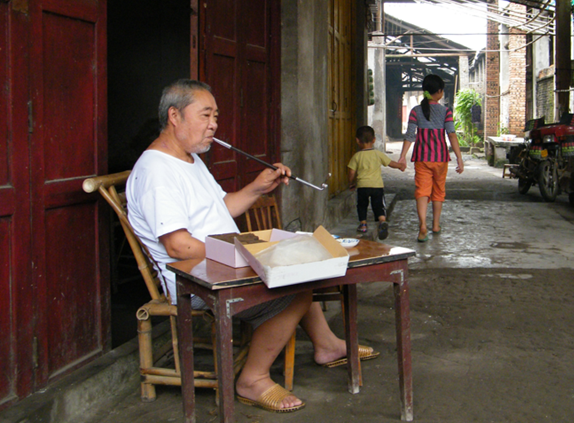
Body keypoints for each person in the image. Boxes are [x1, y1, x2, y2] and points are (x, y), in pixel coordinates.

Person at [126, 79, 377, 413]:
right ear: (175, 116)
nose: (214, 124)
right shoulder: (157, 171)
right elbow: (179, 247)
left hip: (221, 262)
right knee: (297, 287)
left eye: (215, 116)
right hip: (194, 280)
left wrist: (259, 187)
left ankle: (327, 344)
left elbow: (222, 207)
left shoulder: (189, 160)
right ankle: (253, 379)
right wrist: (249, 251)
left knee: (300, 266)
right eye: (205, 115)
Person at [398, 74, 464, 242]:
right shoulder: (445, 112)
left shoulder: (416, 111)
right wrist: (459, 158)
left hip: (422, 158)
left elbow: (410, 135)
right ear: (440, 92)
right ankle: (435, 225)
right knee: (438, 191)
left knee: (422, 191)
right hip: (440, 159)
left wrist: (402, 157)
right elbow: (452, 135)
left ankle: (422, 226)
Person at [348, 125, 405, 239]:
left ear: (357, 140)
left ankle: (363, 224)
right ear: (374, 140)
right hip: (377, 186)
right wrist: (400, 166)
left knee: (362, 205)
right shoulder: (377, 154)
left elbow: (351, 171)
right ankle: (382, 221)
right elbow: (390, 163)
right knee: (378, 205)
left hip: (363, 186)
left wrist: (351, 183)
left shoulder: (356, 156)